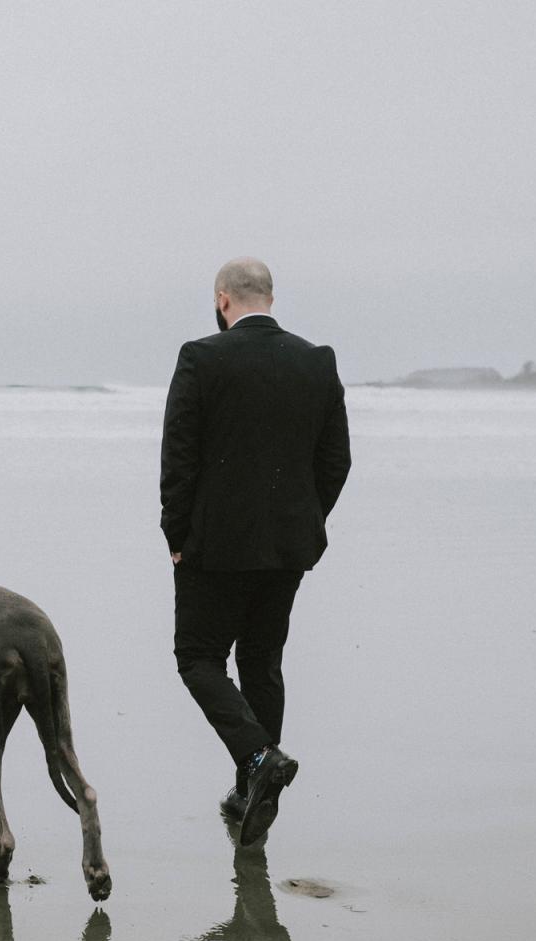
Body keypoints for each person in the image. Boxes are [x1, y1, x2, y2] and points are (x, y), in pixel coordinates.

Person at [159, 257, 351, 845]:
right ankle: (252, 795)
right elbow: (335, 460)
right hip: (288, 545)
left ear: (223, 300)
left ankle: (258, 761)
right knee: (262, 661)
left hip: (212, 546)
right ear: (269, 295)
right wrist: (304, 520)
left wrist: (176, 536)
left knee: (197, 658)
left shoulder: (201, 357)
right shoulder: (316, 361)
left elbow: (180, 458)